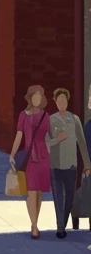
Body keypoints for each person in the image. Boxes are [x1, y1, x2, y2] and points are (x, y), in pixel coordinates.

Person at [45, 88, 91, 239]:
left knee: (69, 198)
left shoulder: (74, 119)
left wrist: (87, 164)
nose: (62, 103)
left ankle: (63, 222)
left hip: (71, 165)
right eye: (59, 101)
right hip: (56, 165)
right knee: (59, 197)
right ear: (56, 102)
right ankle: (60, 228)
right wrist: (58, 139)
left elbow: (82, 143)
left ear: (67, 101)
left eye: (64, 100)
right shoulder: (51, 120)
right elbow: (46, 143)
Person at [9, 85, 51, 240]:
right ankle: (34, 225)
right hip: (29, 157)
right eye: (34, 95)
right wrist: (12, 154)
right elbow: (19, 135)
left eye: (40, 96)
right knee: (31, 191)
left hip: (43, 157)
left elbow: (49, 136)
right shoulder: (23, 115)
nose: (37, 98)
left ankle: (36, 220)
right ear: (30, 97)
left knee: (39, 192)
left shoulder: (46, 116)